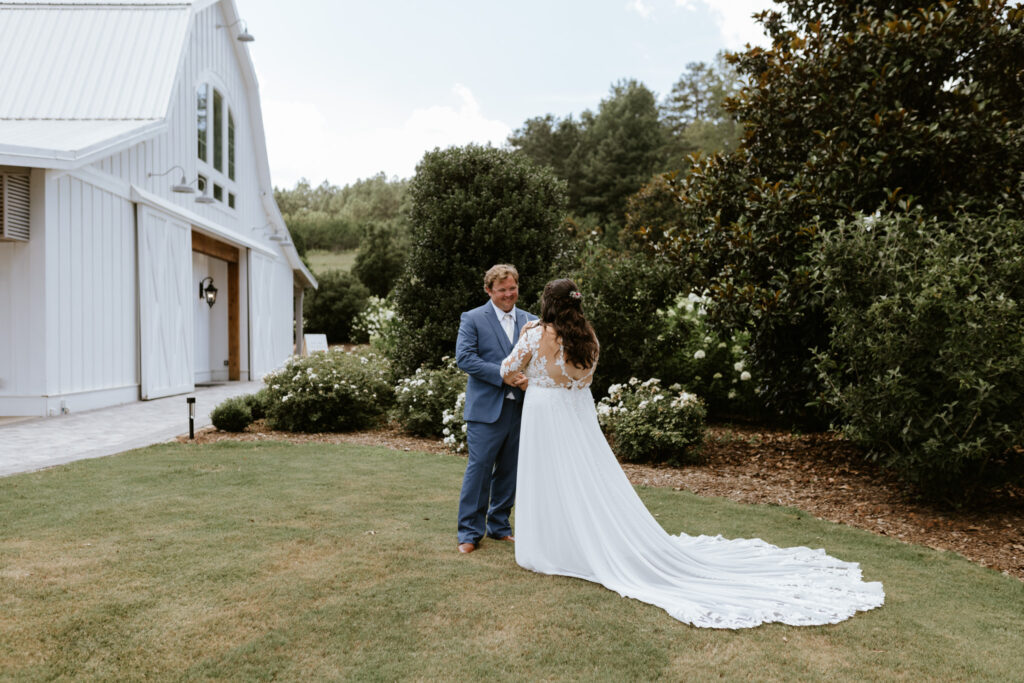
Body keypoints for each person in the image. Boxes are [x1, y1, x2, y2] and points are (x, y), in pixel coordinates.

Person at [500, 278, 885, 628]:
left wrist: (519, 378)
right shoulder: (588, 337)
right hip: (577, 413)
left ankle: (555, 546)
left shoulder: (534, 334)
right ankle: (581, 542)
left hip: (545, 414)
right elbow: (583, 378)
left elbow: (507, 367)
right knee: (586, 479)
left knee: (548, 477)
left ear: (547, 304)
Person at [454, 264, 537, 554]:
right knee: (479, 470)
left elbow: (540, 361)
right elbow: (464, 358)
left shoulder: (532, 321)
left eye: (512, 288)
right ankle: (468, 532)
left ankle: (499, 526)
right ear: (489, 291)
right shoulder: (473, 318)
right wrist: (501, 374)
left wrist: (531, 379)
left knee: (510, 471)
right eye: (502, 290)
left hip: (522, 409)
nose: (508, 294)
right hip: (486, 410)